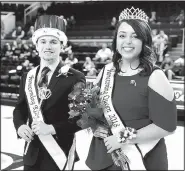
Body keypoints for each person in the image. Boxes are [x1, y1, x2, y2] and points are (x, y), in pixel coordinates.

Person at [86, 7, 177, 170]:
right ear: (116, 40)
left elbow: (167, 126)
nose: (127, 41)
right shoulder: (105, 72)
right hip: (104, 156)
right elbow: (93, 109)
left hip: (142, 159)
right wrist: (94, 126)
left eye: (135, 36)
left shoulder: (155, 76)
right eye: (122, 35)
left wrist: (122, 137)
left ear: (145, 41)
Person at [13, 15, 85, 170]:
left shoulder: (75, 77)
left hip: (59, 153)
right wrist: (19, 126)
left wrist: (51, 128)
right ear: (36, 46)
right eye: (43, 41)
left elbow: (82, 118)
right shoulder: (28, 76)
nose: (48, 46)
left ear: (62, 46)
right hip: (31, 153)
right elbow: (20, 109)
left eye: (53, 42)